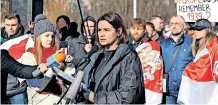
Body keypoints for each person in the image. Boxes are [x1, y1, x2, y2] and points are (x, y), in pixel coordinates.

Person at [78, 12, 145, 104]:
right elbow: (82, 80)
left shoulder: (129, 57)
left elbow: (128, 95)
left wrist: (94, 98)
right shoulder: (96, 56)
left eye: (106, 30)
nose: (101, 34)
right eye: (99, 30)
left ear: (119, 31)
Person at [19, 14, 65, 105]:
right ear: (38, 37)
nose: (50, 39)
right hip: (41, 100)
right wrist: (53, 62)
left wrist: (67, 66)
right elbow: (34, 82)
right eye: (47, 36)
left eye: (52, 36)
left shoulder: (58, 53)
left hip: (62, 99)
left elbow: (68, 80)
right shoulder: (28, 55)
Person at [178, 19, 218, 104]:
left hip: (211, 87)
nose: (196, 31)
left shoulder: (212, 46)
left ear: (208, 30)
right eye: (195, 29)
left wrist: (188, 69)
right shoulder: (197, 43)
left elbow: (203, 68)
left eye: (199, 29)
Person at [128, 18, 163, 104]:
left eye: (139, 29)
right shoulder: (125, 46)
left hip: (147, 89)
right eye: (133, 28)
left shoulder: (153, 46)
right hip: (128, 88)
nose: (136, 31)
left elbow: (156, 70)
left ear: (144, 30)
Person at [160, 15, 193, 104]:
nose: (174, 26)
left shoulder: (192, 42)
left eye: (177, 23)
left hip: (186, 90)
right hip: (168, 92)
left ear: (183, 26)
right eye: (172, 23)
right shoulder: (162, 44)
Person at [1, 13, 28, 104]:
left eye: (13, 25)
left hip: (17, 91)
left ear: (19, 24)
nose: (10, 28)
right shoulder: (1, 41)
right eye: (7, 25)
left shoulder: (25, 41)